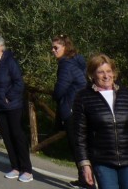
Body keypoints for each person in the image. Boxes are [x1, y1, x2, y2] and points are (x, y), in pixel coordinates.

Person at [73, 53, 128, 189]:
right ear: (92, 75)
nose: (106, 76)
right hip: (103, 161)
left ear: (114, 73)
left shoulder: (127, 95)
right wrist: (85, 163)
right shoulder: (83, 98)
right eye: (100, 72)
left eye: (108, 71)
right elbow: (80, 136)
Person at [0, 34, 34, 182]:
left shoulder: (10, 62)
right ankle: (15, 167)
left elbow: (19, 83)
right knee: (7, 137)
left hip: (12, 105)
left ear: (1, 47)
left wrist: (8, 96)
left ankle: (27, 170)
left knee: (17, 135)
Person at [51, 35, 88, 187]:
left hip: (72, 108)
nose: (53, 51)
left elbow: (61, 88)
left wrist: (55, 95)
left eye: (56, 48)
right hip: (82, 107)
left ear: (65, 47)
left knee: (77, 146)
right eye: (52, 48)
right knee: (81, 145)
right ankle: (85, 179)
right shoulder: (77, 61)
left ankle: (86, 181)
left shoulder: (65, 65)